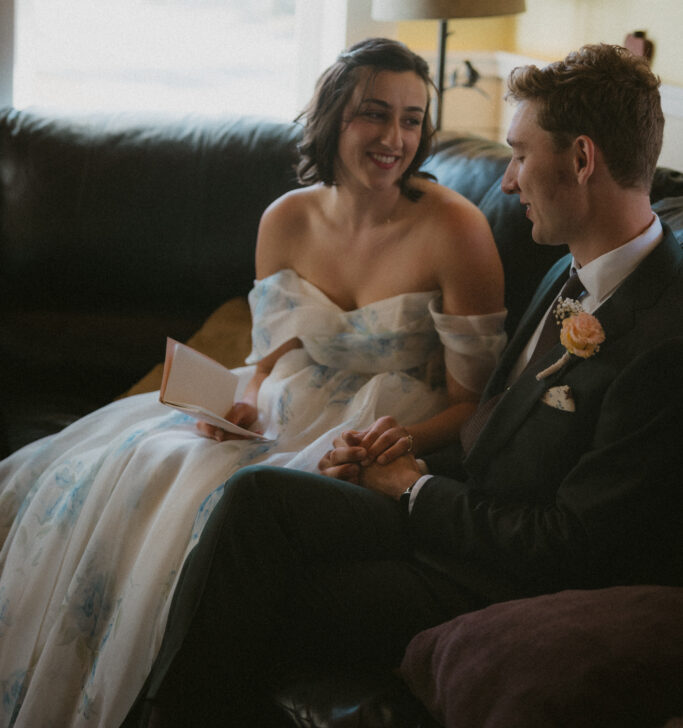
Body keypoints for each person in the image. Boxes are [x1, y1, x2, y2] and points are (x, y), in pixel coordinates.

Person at [123, 43, 683, 728]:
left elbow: (567, 545)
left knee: (265, 586)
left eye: (518, 154)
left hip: (500, 576)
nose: (507, 183)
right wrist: (387, 455)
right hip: (462, 507)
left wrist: (414, 489)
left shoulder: (664, 335)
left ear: (581, 159)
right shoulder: (568, 270)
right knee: (254, 497)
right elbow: (494, 420)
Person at [0, 38, 506, 728]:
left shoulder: (455, 228)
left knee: (211, 507)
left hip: (376, 427)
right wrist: (238, 403)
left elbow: (472, 404)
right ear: (333, 116)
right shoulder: (286, 218)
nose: (394, 138)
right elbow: (268, 358)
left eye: (412, 119)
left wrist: (381, 446)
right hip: (277, 408)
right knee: (137, 464)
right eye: (374, 114)